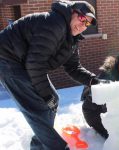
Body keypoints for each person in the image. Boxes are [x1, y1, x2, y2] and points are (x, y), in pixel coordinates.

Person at [0, 1, 101, 150]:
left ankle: (39, 144)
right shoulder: (55, 23)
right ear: (72, 12)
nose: (82, 25)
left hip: (25, 64)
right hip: (7, 59)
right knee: (37, 108)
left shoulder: (71, 40)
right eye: (82, 18)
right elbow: (35, 64)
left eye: (87, 24)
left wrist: (95, 81)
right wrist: (45, 95)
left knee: (53, 99)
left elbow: (74, 68)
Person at [81, 49, 119, 139]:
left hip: (114, 110)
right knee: (115, 137)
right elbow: (107, 110)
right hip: (95, 112)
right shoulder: (107, 79)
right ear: (117, 63)